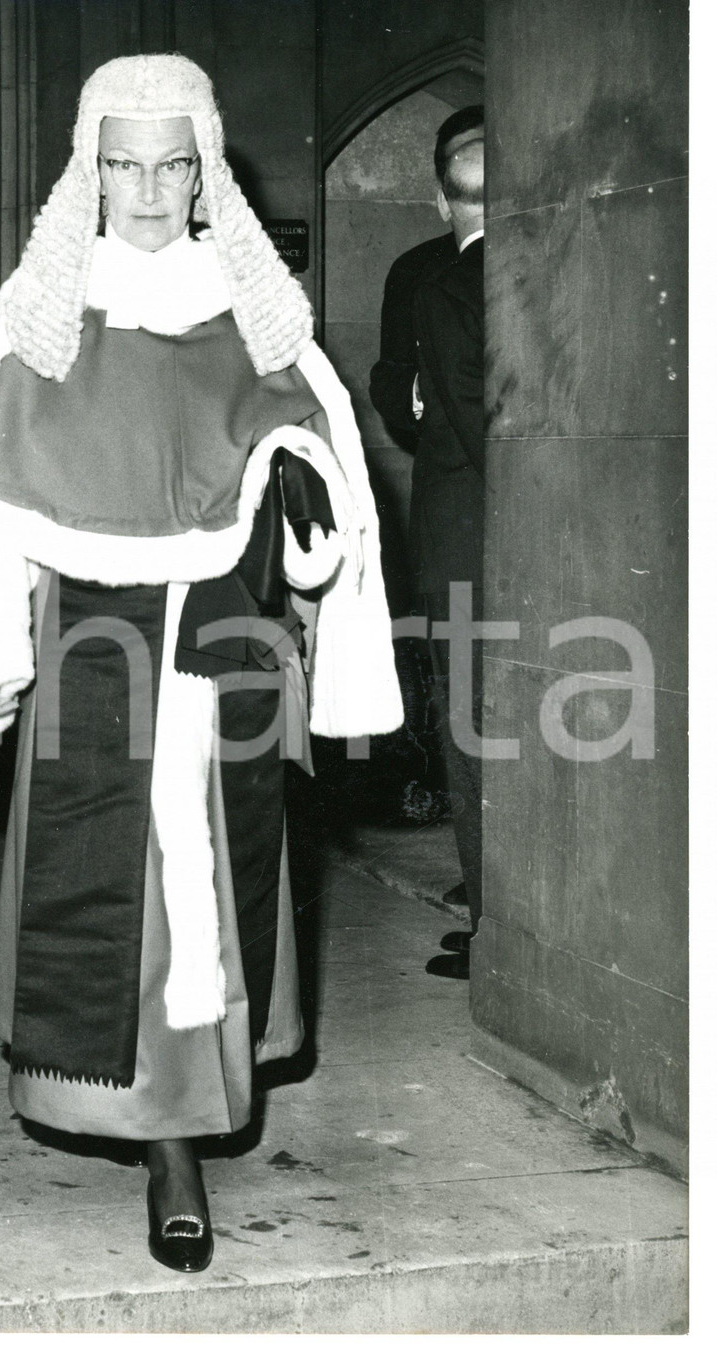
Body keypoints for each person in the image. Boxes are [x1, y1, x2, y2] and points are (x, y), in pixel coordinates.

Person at [0, 54, 402, 1273]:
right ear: (90, 174)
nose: (146, 190)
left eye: (171, 166)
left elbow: (328, 484)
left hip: (221, 642)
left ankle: (182, 1134)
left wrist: (298, 487)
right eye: (121, 165)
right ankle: (148, 1133)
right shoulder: (43, 323)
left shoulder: (253, 316)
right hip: (95, 648)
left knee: (214, 875)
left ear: (202, 173)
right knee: (116, 876)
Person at [409, 133, 484, 979]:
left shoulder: (445, 284)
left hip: (466, 541)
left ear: (441, 203)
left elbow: (466, 418)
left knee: (472, 733)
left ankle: (494, 928)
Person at [368, 105, 483, 453]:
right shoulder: (416, 269)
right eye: (461, 159)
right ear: (445, 193)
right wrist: (425, 388)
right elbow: (389, 379)